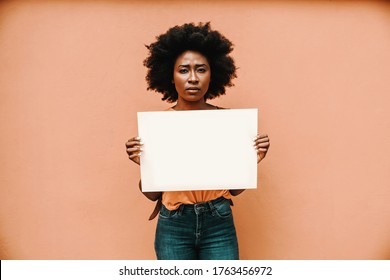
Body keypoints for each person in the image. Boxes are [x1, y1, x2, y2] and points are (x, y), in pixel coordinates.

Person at [125, 22, 270, 260]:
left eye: (201, 69)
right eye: (183, 70)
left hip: (219, 220)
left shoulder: (228, 123)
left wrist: (252, 160)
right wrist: (143, 163)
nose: (192, 78)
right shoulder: (158, 126)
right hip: (173, 224)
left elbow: (234, 190)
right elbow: (152, 195)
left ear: (213, 74)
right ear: (170, 77)